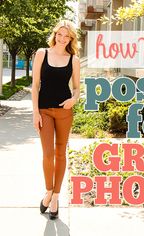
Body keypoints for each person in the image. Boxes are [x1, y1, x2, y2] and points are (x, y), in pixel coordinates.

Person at [31, 19, 80, 220]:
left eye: (66, 35)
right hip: (44, 111)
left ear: (71, 38)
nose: (61, 38)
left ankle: (55, 197)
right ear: (55, 34)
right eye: (59, 34)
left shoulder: (73, 59)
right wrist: (35, 112)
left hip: (64, 111)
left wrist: (73, 100)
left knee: (61, 154)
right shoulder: (42, 53)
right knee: (47, 154)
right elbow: (35, 85)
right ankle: (48, 190)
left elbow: (77, 87)